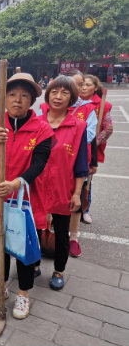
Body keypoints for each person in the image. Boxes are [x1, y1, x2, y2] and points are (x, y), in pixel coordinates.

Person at [0, 73, 53, 320]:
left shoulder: (42, 130)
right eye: (12, 95)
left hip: (25, 198)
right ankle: (2, 286)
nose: (18, 100)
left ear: (32, 101)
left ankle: (24, 293)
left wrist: (16, 183)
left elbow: (39, 164)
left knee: (24, 246)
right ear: (3, 98)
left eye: (24, 96)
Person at [36, 75, 88, 290]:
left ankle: (59, 270)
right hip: (36, 187)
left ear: (72, 98)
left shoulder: (78, 127)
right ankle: (32, 264)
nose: (58, 97)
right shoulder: (35, 123)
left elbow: (81, 165)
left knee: (61, 232)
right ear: (48, 95)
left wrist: (76, 194)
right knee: (34, 229)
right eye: (54, 92)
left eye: (64, 93)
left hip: (62, 189)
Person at [64, 70, 98, 257]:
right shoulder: (49, 106)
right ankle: (47, 231)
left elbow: (90, 135)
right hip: (55, 161)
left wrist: (63, 135)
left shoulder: (88, 109)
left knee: (76, 199)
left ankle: (74, 237)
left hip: (78, 160)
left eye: (80, 84)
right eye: (72, 83)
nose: (78, 88)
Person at [82, 75, 113, 223]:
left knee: (87, 180)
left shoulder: (102, 105)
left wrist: (94, 143)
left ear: (95, 88)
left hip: (90, 148)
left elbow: (108, 129)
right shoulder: (74, 102)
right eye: (82, 84)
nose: (84, 87)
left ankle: (85, 210)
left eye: (88, 85)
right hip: (73, 148)